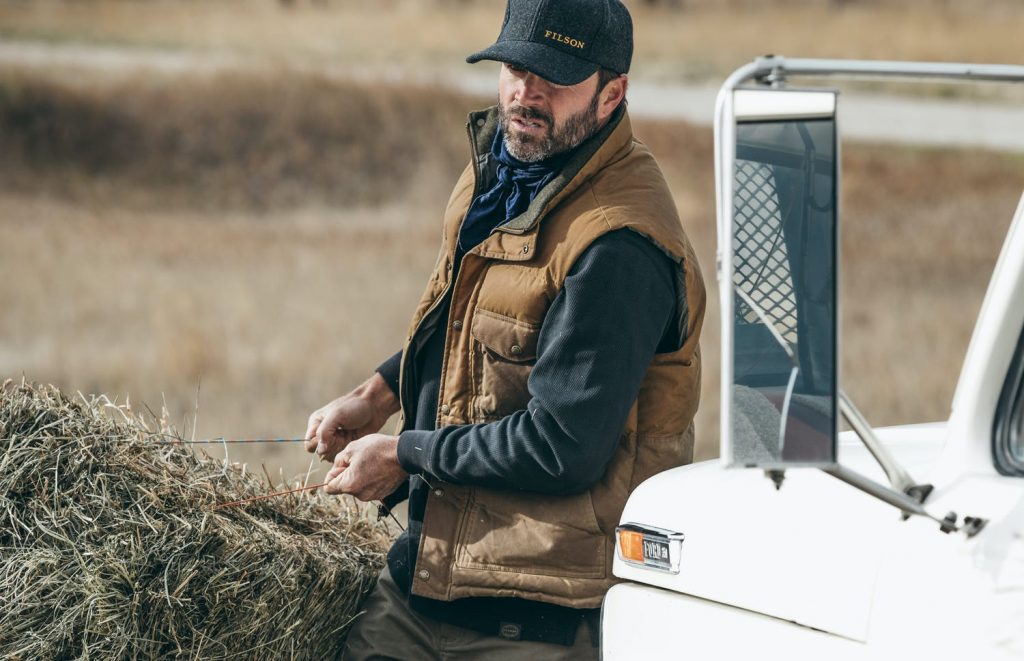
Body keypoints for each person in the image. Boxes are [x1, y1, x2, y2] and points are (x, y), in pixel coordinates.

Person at [303, 0, 705, 657]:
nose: (527, 92)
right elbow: (476, 325)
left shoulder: (619, 246)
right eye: (517, 67)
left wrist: (404, 454)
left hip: (536, 618)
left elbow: (562, 446)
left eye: (555, 77)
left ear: (612, 94)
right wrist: (378, 394)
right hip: (425, 582)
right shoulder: (503, 170)